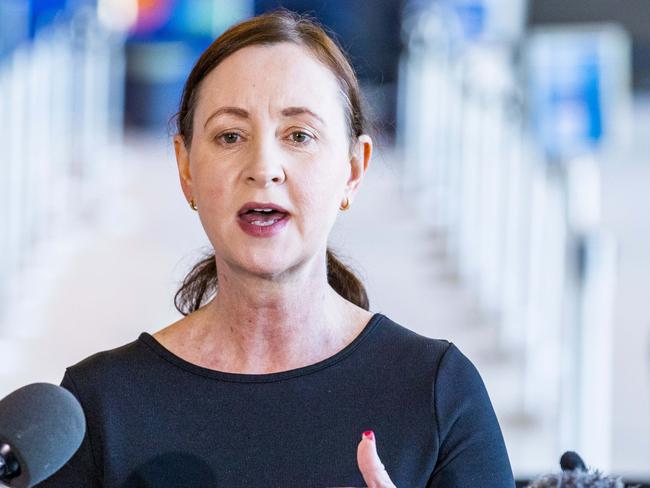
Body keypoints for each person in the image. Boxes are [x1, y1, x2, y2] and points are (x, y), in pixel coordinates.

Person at [38, 10, 514, 487]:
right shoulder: (96, 406)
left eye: (299, 136)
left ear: (353, 169)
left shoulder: (437, 391)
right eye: (230, 136)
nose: (264, 167)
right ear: (185, 168)